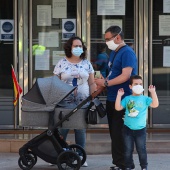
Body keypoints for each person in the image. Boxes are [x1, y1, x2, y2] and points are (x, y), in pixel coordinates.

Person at [94, 25, 138, 170]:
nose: (106, 42)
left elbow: (126, 76)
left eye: (108, 39)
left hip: (124, 99)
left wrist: (106, 82)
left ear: (117, 37)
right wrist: (103, 80)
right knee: (115, 133)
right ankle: (119, 163)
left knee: (122, 134)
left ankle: (126, 165)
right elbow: (114, 73)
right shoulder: (114, 52)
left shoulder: (127, 53)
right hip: (112, 98)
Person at [53, 36, 96, 167]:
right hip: (64, 102)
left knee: (80, 129)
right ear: (69, 47)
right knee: (62, 129)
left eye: (80, 46)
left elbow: (92, 82)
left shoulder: (87, 63)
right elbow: (55, 83)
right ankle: (59, 155)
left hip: (83, 102)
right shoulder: (61, 62)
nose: (78, 48)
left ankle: (80, 156)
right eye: (75, 46)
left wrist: (93, 97)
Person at [115, 75, 159, 170]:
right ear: (130, 86)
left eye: (140, 84)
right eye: (135, 84)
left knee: (141, 150)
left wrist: (153, 92)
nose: (138, 86)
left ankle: (144, 167)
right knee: (127, 150)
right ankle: (128, 166)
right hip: (127, 129)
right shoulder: (127, 99)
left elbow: (155, 104)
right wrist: (119, 96)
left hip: (141, 130)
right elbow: (118, 108)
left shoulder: (145, 99)